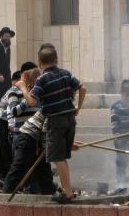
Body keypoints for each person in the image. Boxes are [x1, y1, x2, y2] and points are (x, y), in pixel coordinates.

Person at [18, 45, 87, 204]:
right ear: (56, 59)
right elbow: (82, 88)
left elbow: (32, 101)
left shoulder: (42, 79)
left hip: (55, 121)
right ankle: (66, 189)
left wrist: (23, 88)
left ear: (40, 63)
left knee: (57, 158)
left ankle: (67, 192)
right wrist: (78, 108)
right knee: (62, 157)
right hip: (70, 119)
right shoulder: (66, 74)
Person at [2, 110, 57, 195]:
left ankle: (48, 190)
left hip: (37, 140)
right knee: (19, 167)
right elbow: (45, 131)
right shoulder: (51, 110)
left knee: (44, 169)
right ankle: (7, 191)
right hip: (26, 138)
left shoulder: (61, 115)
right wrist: (44, 148)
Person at [0, 71, 21, 187]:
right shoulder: (12, 92)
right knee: (5, 155)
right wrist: (12, 127)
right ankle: (6, 183)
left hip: (6, 124)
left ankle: (7, 182)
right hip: (4, 124)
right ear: (15, 81)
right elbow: (11, 112)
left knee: (8, 155)